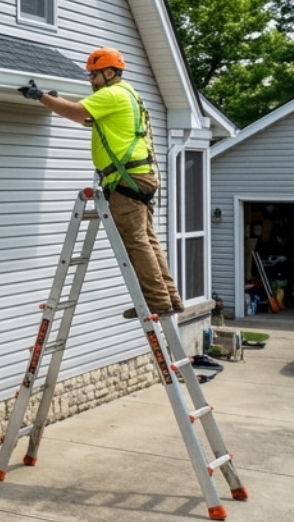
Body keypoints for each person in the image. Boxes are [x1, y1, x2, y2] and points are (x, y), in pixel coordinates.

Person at [19, 48, 183, 319]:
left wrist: (41, 97)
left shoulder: (112, 94)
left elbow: (76, 113)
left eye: (94, 75)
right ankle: (170, 299)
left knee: (136, 242)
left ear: (109, 73)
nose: (91, 81)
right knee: (148, 241)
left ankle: (157, 302)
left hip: (125, 180)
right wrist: (56, 100)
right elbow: (87, 118)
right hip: (138, 178)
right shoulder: (129, 94)